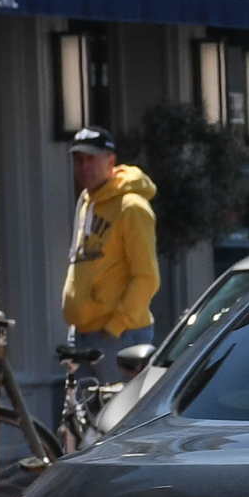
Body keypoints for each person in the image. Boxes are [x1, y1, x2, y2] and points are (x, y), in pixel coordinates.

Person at [60, 126, 160, 370]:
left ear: (111, 161)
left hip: (120, 336)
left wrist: (114, 327)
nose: (83, 167)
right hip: (82, 334)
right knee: (84, 408)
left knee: (116, 408)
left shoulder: (131, 207)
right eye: (78, 160)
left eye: (91, 159)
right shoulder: (86, 202)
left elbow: (147, 277)